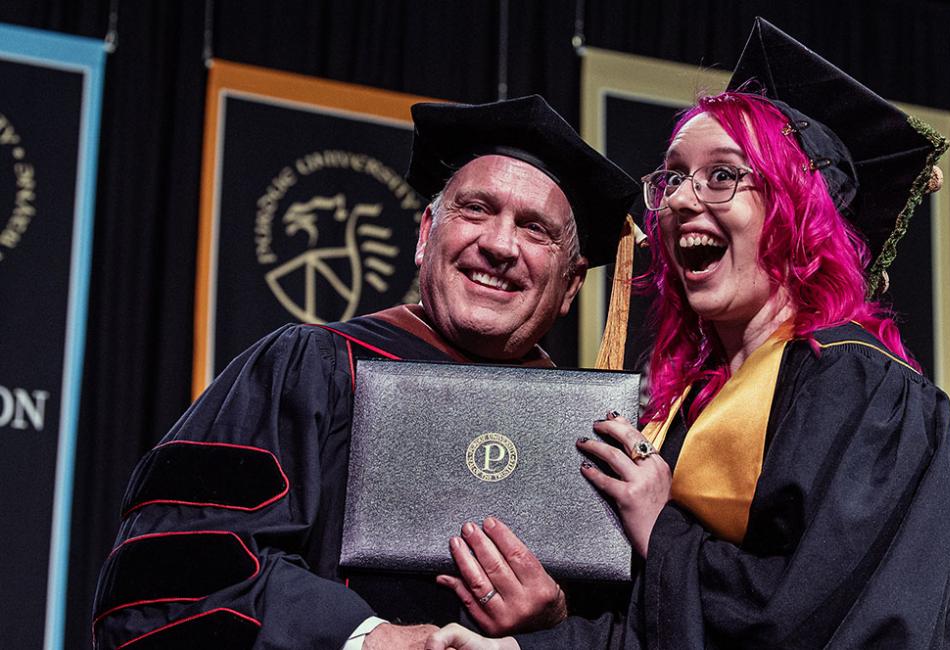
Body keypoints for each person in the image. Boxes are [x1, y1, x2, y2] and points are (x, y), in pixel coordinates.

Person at [428, 19, 950, 650]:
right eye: (672, 178)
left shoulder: (860, 390)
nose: (677, 201)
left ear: (796, 210)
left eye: (721, 176)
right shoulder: (677, 408)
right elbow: (647, 629)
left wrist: (659, 528)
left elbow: (816, 619)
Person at [90, 95, 639, 650]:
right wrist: (368, 639)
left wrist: (553, 631)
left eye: (535, 229)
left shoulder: (599, 442)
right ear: (426, 234)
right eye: (476, 209)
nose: (499, 244)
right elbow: (176, 573)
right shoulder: (308, 369)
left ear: (571, 284)